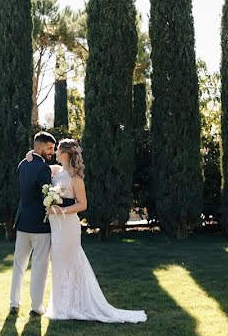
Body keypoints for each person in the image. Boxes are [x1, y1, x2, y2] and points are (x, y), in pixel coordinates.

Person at [31, 138, 147, 323]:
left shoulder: (75, 178)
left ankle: (72, 306)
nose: (55, 153)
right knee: (59, 264)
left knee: (69, 263)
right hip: (56, 227)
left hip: (68, 227)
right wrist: (31, 154)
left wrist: (61, 210)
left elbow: (83, 204)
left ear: (66, 154)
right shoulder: (58, 170)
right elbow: (41, 163)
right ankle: (61, 306)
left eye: (58, 150)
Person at [9, 131, 57, 317]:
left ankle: (14, 303)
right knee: (39, 266)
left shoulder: (23, 164)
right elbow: (48, 198)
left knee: (18, 264)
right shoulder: (43, 169)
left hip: (22, 223)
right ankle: (36, 308)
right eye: (50, 148)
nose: (52, 152)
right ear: (39, 147)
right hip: (39, 225)